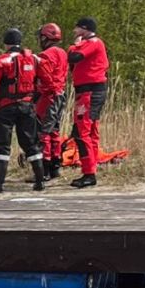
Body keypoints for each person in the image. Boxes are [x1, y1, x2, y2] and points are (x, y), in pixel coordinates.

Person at [0, 28, 54, 193]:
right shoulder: (35, 59)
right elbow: (49, 81)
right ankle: (40, 181)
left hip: (6, 106)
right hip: (27, 106)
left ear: (6, 43)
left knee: (2, 145)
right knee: (31, 143)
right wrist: (35, 96)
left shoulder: (3, 60)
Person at [67, 17, 109, 188]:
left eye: (77, 28)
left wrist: (74, 45)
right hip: (87, 92)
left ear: (84, 29)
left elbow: (74, 57)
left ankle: (89, 174)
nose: (75, 31)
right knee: (89, 131)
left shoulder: (93, 42)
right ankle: (90, 169)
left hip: (90, 93)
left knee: (82, 132)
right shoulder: (89, 43)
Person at [33, 23, 68, 179]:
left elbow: (43, 78)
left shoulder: (45, 55)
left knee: (43, 132)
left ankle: (44, 170)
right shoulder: (63, 53)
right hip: (60, 94)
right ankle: (55, 166)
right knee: (54, 131)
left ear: (45, 37)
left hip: (48, 96)